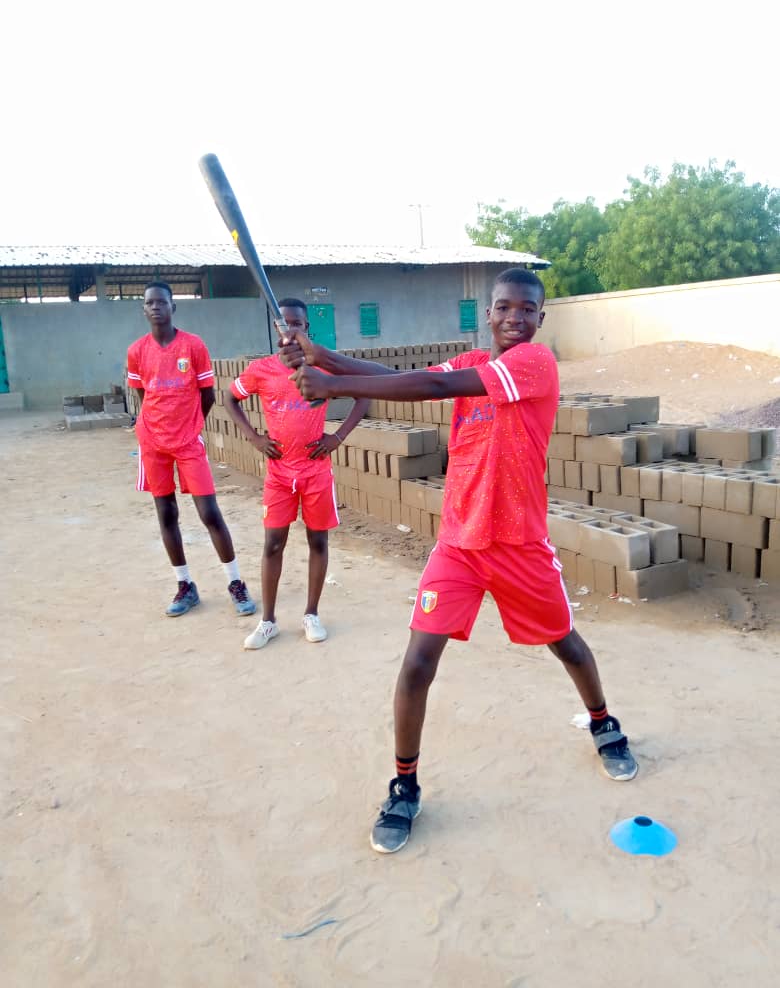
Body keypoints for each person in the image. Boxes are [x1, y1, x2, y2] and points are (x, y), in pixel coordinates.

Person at [280, 268, 637, 854]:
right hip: (459, 545)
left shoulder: (534, 365)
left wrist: (332, 385)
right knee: (418, 661)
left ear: (540, 319)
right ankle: (404, 784)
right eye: (504, 307)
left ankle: (603, 723)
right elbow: (400, 378)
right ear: (487, 312)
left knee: (565, 641)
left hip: (519, 544)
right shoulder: (473, 359)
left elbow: (434, 389)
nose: (514, 318)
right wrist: (323, 356)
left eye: (527, 309)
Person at [225, 298, 369, 650]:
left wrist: (337, 436)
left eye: (297, 324)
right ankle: (268, 621)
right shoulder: (261, 370)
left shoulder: (323, 368)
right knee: (273, 543)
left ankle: (311, 614)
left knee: (318, 542)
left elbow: (363, 394)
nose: (289, 330)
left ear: (307, 330)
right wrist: (255, 438)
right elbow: (230, 399)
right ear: (275, 330)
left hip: (315, 470)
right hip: (278, 474)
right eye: (283, 323)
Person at [127, 282, 256, 618]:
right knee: (166, 514)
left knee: (209, 513)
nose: (155, 307)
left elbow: (208, 394)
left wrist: (189, 426)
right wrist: (157, 426)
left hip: (188, 443)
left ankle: (235, 582)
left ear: (173, 307)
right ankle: (185, 585)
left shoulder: (193, 346)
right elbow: (143, 397)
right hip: (153, 443)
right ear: (144, 309)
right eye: (149, 303)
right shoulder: (137, 351)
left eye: (162, 302)